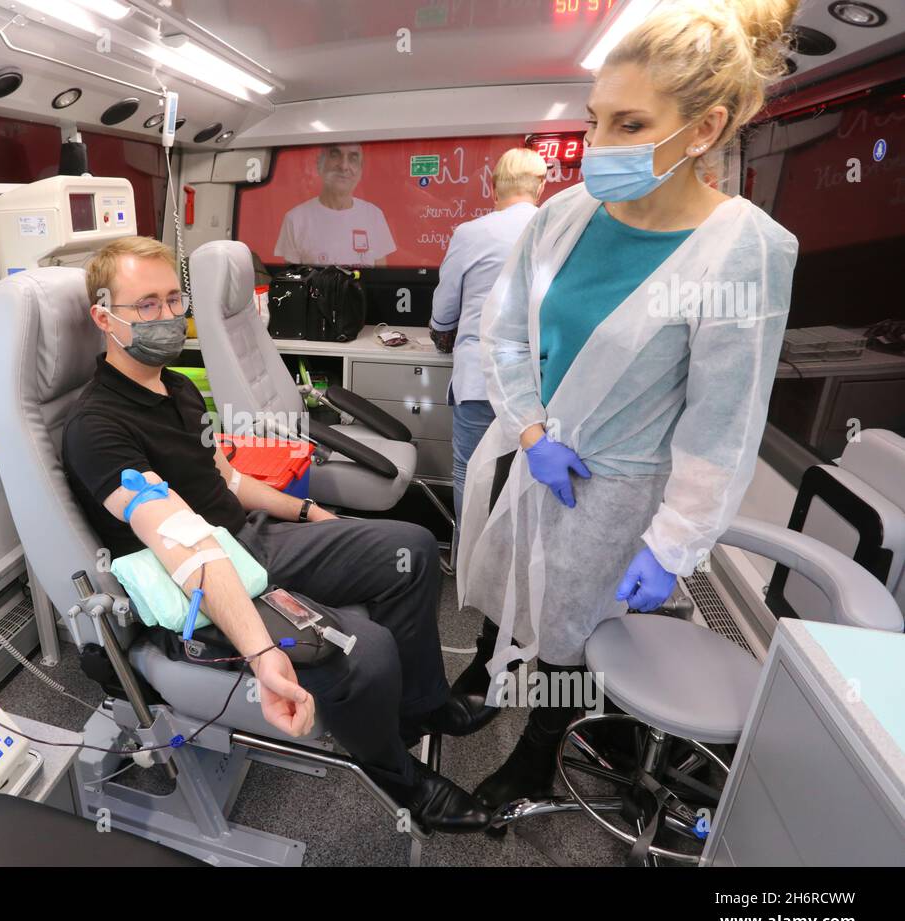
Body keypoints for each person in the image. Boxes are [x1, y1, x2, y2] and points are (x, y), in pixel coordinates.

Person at [454, 0, 801, 815]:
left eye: (630, 122)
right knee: (504, 578)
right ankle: (487, 667)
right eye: (595, 120)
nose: (598, 146)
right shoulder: (566, 215)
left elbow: (725, 421)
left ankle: (537, 760)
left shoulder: (743, 249)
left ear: (704, 128)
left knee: (573, 635)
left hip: (619, 495)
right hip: (530, 451)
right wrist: (533, 429)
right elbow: (505, 336)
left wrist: (676, 543)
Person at [63, 236, 490, 832]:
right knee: (364, 653)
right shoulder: (97, 428)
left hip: (253, 539)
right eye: (147, 306)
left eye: (171, 300)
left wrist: (312, 514)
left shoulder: (179, 388)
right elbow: (185, 545)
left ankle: (420, 706)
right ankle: (398, 775)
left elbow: (230, 481)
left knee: (411, 549)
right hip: (206, 581)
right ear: (105, 317)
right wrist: (262, 653)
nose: (167, 317)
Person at [431, 148, 547, 527]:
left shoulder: (471, 233)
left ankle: (470, 571)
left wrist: (445, 334)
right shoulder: (558, 229)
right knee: (531, 480)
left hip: (482, 381)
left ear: (494, 187)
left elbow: (444, 312)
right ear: (541, 186)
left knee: (472, 473)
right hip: (542, 386)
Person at [273, 143, 396, 267]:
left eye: (353, 158)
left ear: (361, 169)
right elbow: (293, 279)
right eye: (335, 155)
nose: (343, 166)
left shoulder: (374, 215)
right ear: (319, 163)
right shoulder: (295, 219)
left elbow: (380, 278)